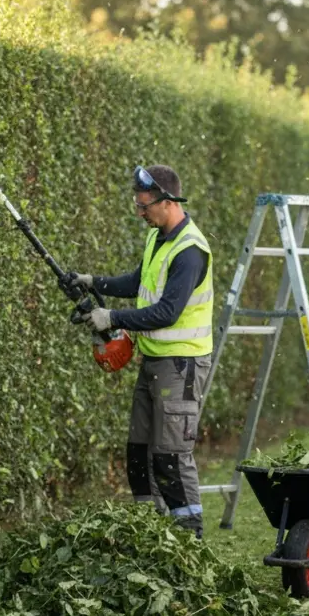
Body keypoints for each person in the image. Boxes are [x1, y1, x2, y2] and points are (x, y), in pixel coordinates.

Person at [62, 165, 214, 538]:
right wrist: (92, 282)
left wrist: (111, 317)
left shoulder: (190, 251)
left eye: (144, 205)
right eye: (138, 205)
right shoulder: (157, 238)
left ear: (168, 201)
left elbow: (167, 312)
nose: (139, 212)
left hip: (182, 365)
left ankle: (189, 538)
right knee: (139, 453)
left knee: (171, 456)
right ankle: (152, 534)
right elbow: (137, 281)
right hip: (154, 362)